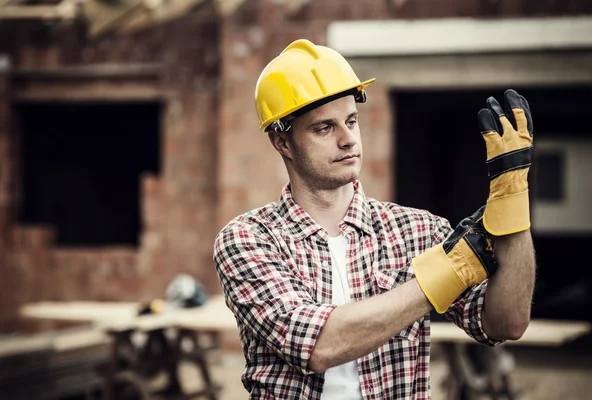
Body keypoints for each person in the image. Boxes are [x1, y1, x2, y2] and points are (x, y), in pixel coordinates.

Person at [213, 39, 536, 399]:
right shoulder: (248, 239)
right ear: (282, 143)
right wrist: (445, 275)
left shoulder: (418, 230)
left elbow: (506, 322)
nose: (348, 139)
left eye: (352, 121)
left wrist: (513, 201)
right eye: (325, 128)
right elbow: (317, 346)